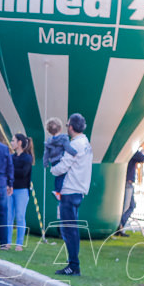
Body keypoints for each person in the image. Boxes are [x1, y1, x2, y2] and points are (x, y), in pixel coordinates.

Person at [50, 113, 92, 276]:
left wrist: (53, 168)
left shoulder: (75, 145)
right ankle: (73, 263)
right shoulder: (85, 143)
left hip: (70, 189)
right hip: (79, 189)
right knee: (70, 227)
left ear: (72, 127)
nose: (67, 127)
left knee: (69, 229)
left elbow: (64, 166)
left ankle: (73, 264)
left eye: (68, 125)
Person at [42, 117, 77, 199]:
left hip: (54, 162)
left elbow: (46, 154)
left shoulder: (49, 141)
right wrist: (75, 153)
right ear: (60, 128)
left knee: (58, 177)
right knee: (63, 176)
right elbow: (67, 148)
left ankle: (57, 190)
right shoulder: (64, 138)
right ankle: (58, 191)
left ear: (49, 131)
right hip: (61, 160)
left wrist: (45, 163)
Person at [117, 146, 144, 236]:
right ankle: (120, 226)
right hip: (128, 181)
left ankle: (120, 225)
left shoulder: (128, 151)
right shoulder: (132, 151)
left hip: (127, 181)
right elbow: (142, 158)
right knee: (127, 206)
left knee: (130, 205)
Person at [10, 133, 33, 251]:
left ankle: (19, 244)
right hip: (11, 189)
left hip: (22, 190)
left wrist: (12, 171)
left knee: (20, 216)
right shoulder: (12, 157)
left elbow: (23, 173)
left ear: (19, 143)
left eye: (13, 140)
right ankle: (7, 242)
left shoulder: (27, 158)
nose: (11, 142)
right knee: (9, 216)